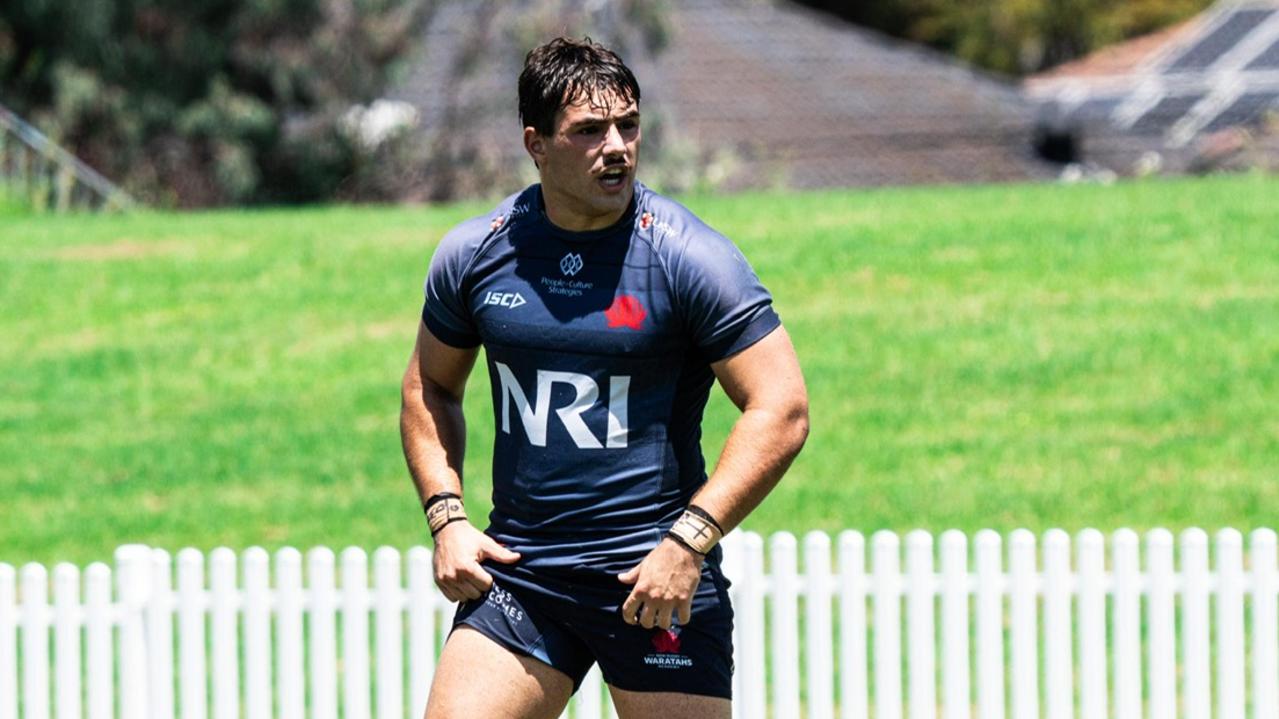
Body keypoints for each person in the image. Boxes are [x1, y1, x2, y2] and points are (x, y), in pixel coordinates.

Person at [400, 36, 808, 719]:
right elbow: (427, 387)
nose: (615, 146)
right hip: (522, 578)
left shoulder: (689, 259)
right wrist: (446, 517)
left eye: (628, 125)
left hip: (653, 576)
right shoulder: (477, 253)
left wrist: (687, 542)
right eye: (588, 131)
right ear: (536, 143)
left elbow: (781, 406)